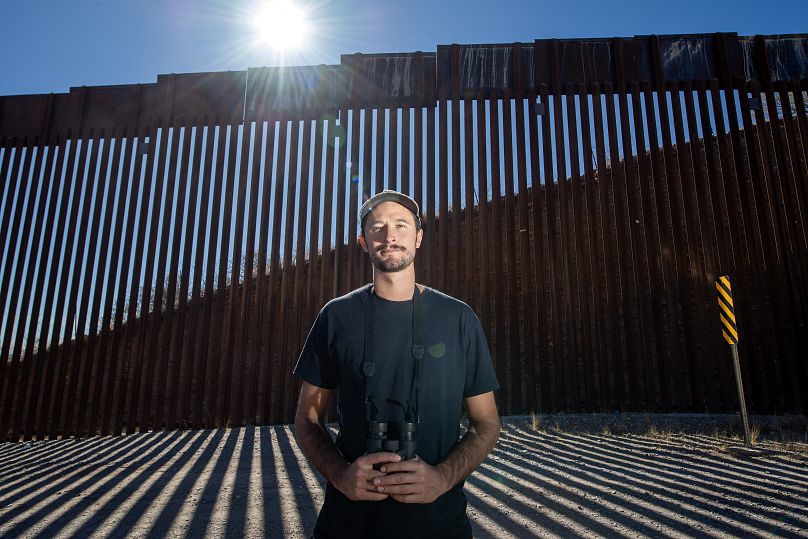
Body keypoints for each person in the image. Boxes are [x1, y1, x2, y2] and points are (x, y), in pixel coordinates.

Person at [293, 190, 500, 538]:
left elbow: (487, 423)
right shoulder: (336, 316)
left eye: (401, 226)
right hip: (348, 527)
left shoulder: (459, 319)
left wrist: (442, 479)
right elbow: (307, 418)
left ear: (418, 237)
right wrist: (343, 477)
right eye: (378, 227)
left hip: (440, 526)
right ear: (363, 242)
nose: (389, 236)